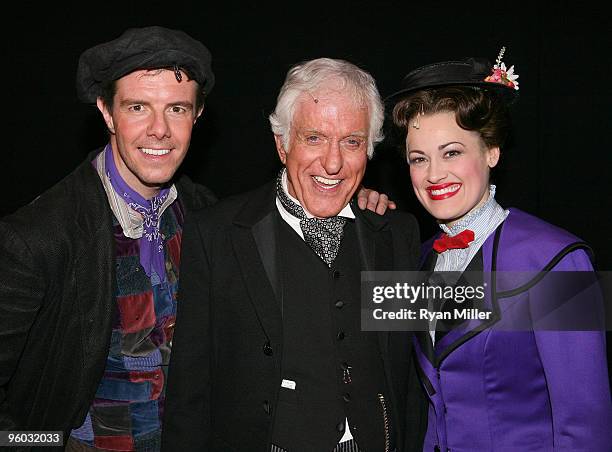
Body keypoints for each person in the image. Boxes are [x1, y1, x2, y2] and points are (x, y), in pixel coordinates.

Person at [0, 26, 393, 451]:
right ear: (107, 112)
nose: (159, 130)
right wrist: (46, 445)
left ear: (198, 114)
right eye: (137, 107)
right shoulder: (38, 238)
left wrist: (349, 197)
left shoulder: (208, 215)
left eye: (176, 109)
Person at [162, 57, 426, 452]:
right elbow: (190, 388)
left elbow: (412, 373)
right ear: (282, 144)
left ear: (369, 150)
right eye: (314, 138)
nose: (333, 163)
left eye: (351, 142)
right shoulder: (217, 234)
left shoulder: (394, 234)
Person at [387, 50, 612, 450]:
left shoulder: (558, 259)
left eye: (452, 152)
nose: (434, 174)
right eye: (418, 159)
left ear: (491, 151)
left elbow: (585, 421)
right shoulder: (418, 259)